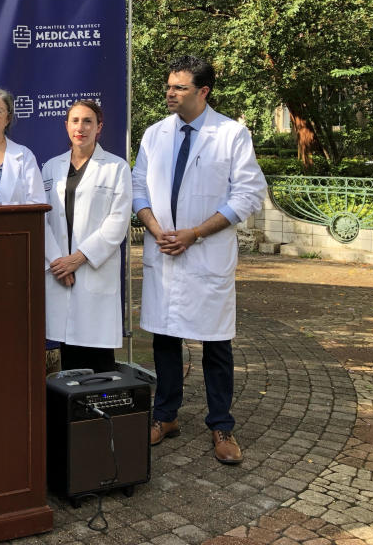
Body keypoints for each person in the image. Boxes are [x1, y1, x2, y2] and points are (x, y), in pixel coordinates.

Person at [131, 55, 265, 465]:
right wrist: (155, 229)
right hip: (164, 251)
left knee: (215, 344)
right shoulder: (155, 134)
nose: (169, 93)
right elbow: (138, 187)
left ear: (203, 91)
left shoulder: (231, 134)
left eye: (179, 88)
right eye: (169, 86)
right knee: (166, 339)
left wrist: (194, 233)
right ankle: (165, 415)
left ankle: (221, 425)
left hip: (205, 254)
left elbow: (248, 194)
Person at [44, 100, 131, 374]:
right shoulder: (51, 168)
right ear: (66, 126)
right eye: (75, 121)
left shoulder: (116, 167)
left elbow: (117, 222)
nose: (80, 127)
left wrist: (78, 259)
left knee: (98, 356)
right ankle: (73, 415)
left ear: (99, 127)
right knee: (68, 351)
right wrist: (59, 261)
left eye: (88, 121)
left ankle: (102, 412)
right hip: (61, 271)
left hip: (93, 268)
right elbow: (42, 218)